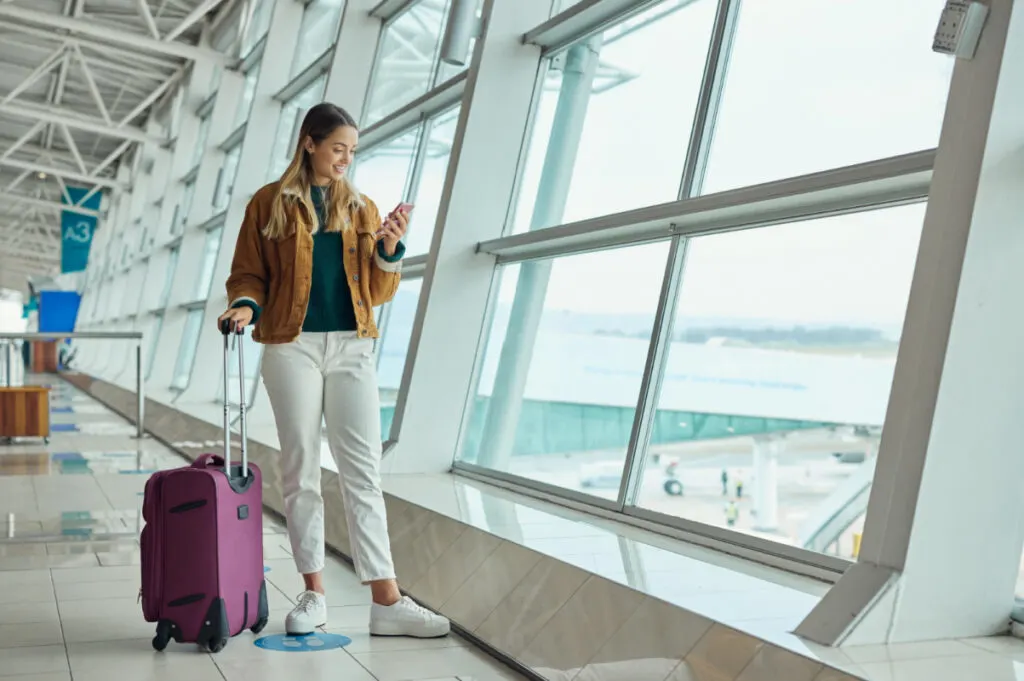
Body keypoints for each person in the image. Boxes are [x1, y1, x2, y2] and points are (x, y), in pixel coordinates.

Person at [217, 102, 450, 639]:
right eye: (338, 147)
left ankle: (386, 601)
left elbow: (377, 291)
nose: (346, 158)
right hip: (291, 347)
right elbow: (249, 274)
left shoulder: (362, 209)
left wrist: (389, 248)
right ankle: (314, 593)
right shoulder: (268, 204)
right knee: (300, 471)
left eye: (352, 150)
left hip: (352, 348)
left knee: (362, 471)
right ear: (310, 143)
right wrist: (244, 307)